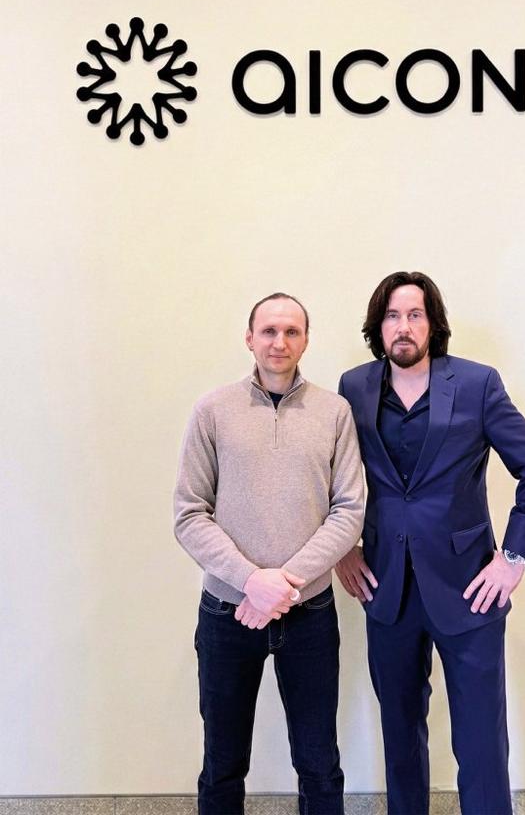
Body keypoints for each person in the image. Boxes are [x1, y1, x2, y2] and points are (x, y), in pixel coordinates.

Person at [336, 272, 525, 815]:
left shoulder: (478, 384)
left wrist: (512, 559)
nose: (403, 326)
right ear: (377, 327)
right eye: (392, 316)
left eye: (415, 314)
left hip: (469, 589)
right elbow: (330, 474)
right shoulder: (354, 388)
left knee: (480, 743)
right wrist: (343, 548)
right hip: (386, 586)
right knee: (400, 738)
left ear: (433, 324)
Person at [174, 292, 364, 815]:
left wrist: (284, 583)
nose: (280, 342)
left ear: (306, 340)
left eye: (291, 331)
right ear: (249, 338)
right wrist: (251, 581)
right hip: (227, 613)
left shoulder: (334, 413)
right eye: (269, 331)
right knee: (222, 764)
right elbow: (189, 513)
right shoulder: (213, 411)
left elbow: (349, 511)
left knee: (319, 764)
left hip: (310, 614)